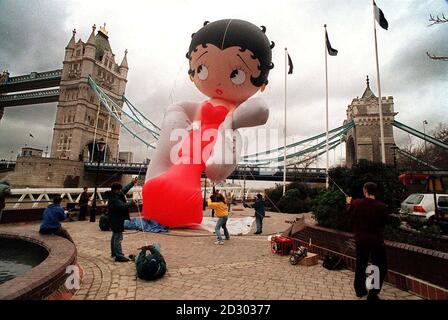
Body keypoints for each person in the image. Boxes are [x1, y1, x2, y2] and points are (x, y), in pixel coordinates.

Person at [142, 19, 273, 228]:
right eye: (201, 68)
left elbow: (260, 110)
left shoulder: (232, 117)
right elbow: (180, 109)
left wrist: (230, 123)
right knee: (176, 163)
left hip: (215, 141)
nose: (220, 84)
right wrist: (175, 121)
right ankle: (161, 188)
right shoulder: (201, 108)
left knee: (215, 160)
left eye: (236, 74)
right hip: (192, 144)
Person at [346, 182, 389, 301]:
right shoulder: (381, 206)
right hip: (376, 241)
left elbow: (349, 214)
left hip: (361, 240)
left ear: (365, 190)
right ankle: (373, 293)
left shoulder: (357, 203)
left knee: (361, 264)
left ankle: (360, 291)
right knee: (379, 266)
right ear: (375, 191)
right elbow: (384, 222)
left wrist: (348, 203)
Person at [108, 177, 138, 262]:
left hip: (113, 219)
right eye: (119, 189)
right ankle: (119, 255)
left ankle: (114, 253)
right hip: (116, 219)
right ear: (115, 190)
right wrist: (132, 203)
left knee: (115, 236)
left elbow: (125, 189)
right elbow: (121, 206)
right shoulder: (114, 199)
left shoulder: (115, 194)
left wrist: (132, 183)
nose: (121, 191)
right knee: (118, 237)